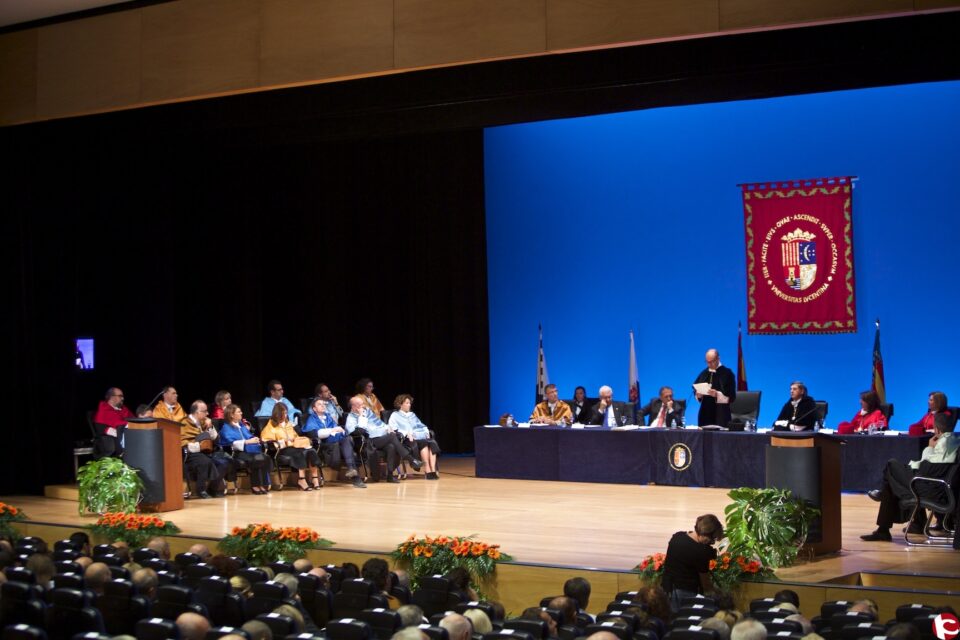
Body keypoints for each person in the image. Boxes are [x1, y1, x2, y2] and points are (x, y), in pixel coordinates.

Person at [861, 413, 959, 541]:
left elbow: (925, 469)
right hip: (937, 486)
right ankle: (913, 524)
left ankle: (885, 523)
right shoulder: (955, 440)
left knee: (891, 465)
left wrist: (929, 448)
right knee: (893, 480)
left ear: (937, 429)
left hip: (930, 487)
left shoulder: (944, 442)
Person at [345, 395, 422, 482]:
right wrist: (361, 416)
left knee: (391, 446)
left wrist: (387, 427)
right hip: (368, 441)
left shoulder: (368, 412)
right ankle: (411, 460)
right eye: (360, 405)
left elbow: (379, 423)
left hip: (379, 438)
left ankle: (390, 475)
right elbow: (358, 432)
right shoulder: (351, 418)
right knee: (392, 436)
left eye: (363, 404)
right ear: (353, 406)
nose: (363, 406)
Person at [660, 514, 723, 611]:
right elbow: (705, 582)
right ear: (705, 534)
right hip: (685, 594)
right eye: (712, 539)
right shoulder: (701, 551)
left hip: (667, 589)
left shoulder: (677, 536)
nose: (712, 543)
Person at [302, 397, 366, 488]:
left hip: (335, 442)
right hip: (324, 445)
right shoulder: (311, 419)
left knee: (346, 439)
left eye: (324, 404)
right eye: (319, 404)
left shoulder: (328, 417)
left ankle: (352, 471)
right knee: (345, 440)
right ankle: (354, 475)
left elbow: (338, 430)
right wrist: (332, 430)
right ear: (314, 409)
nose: (323, 405)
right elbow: (316, 434)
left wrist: (336, 430)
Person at [260, 402, 322, 490]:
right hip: (282, 450)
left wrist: (295, 439)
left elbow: (296, 436)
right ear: (277, 414)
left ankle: (315, 479)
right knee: (300, 452)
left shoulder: (289, 424)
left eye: (286, 413)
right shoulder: (271, 426)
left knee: (311, 450)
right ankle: (301, 480)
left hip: (294, 446)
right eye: (283, 413)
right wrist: (283, 441)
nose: (285, 415)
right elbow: (267, 441)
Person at [218, 404, 273, 494]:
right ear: (232, 415)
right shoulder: (226, 428)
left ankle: (263, 484)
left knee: (264, 457)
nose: (241, 413)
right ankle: (255, 485)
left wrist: (255, 439)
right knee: (256, 459)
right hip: (238, 453)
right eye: (239, 412)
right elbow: (231, 444)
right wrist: (247, 442)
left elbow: (249, 436)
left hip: (251, 451)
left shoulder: (241, 426)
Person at [180, 400, 226, 498]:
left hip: (206, 452)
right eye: (205, 411)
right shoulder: (184, 423)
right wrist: (200, 446)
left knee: (223, 463)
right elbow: (183, 443)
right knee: (205, 462)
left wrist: (210, 427)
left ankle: (212, 489)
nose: (207, 413)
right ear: (197, 412)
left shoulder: (203, 422)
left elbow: (215, 438)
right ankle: (201, 490)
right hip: (190, 454)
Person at [389, 394, 441, 479]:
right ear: (400, 404)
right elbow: (392, 429)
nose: (409, 405)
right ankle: (427, 469)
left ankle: (432, 470)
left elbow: (421, 425)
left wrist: (426, 430)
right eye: (407, 403)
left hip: (418, 436)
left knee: (431, 443)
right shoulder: (395, 415)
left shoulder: (412, 415)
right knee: (424, 443)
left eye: (409, 403)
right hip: (407, 440)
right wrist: (406, 433)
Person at [693, 350, 737, 427]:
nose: (709, 364)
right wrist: (698, 395)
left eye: (712, 361)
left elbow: (732, 397)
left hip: (721, 414)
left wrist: (717, 394)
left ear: (718, 359)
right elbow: (696, 389)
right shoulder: (704, 373)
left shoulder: (727, 373)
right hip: (705, 414)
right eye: (707, 362)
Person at [93, 387, 133, 458]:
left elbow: (134, 421)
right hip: (112, 443)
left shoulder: (124, 409)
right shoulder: (103, 410)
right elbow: (101, 428)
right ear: (112, 397)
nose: (123, 398)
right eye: (120, 396)